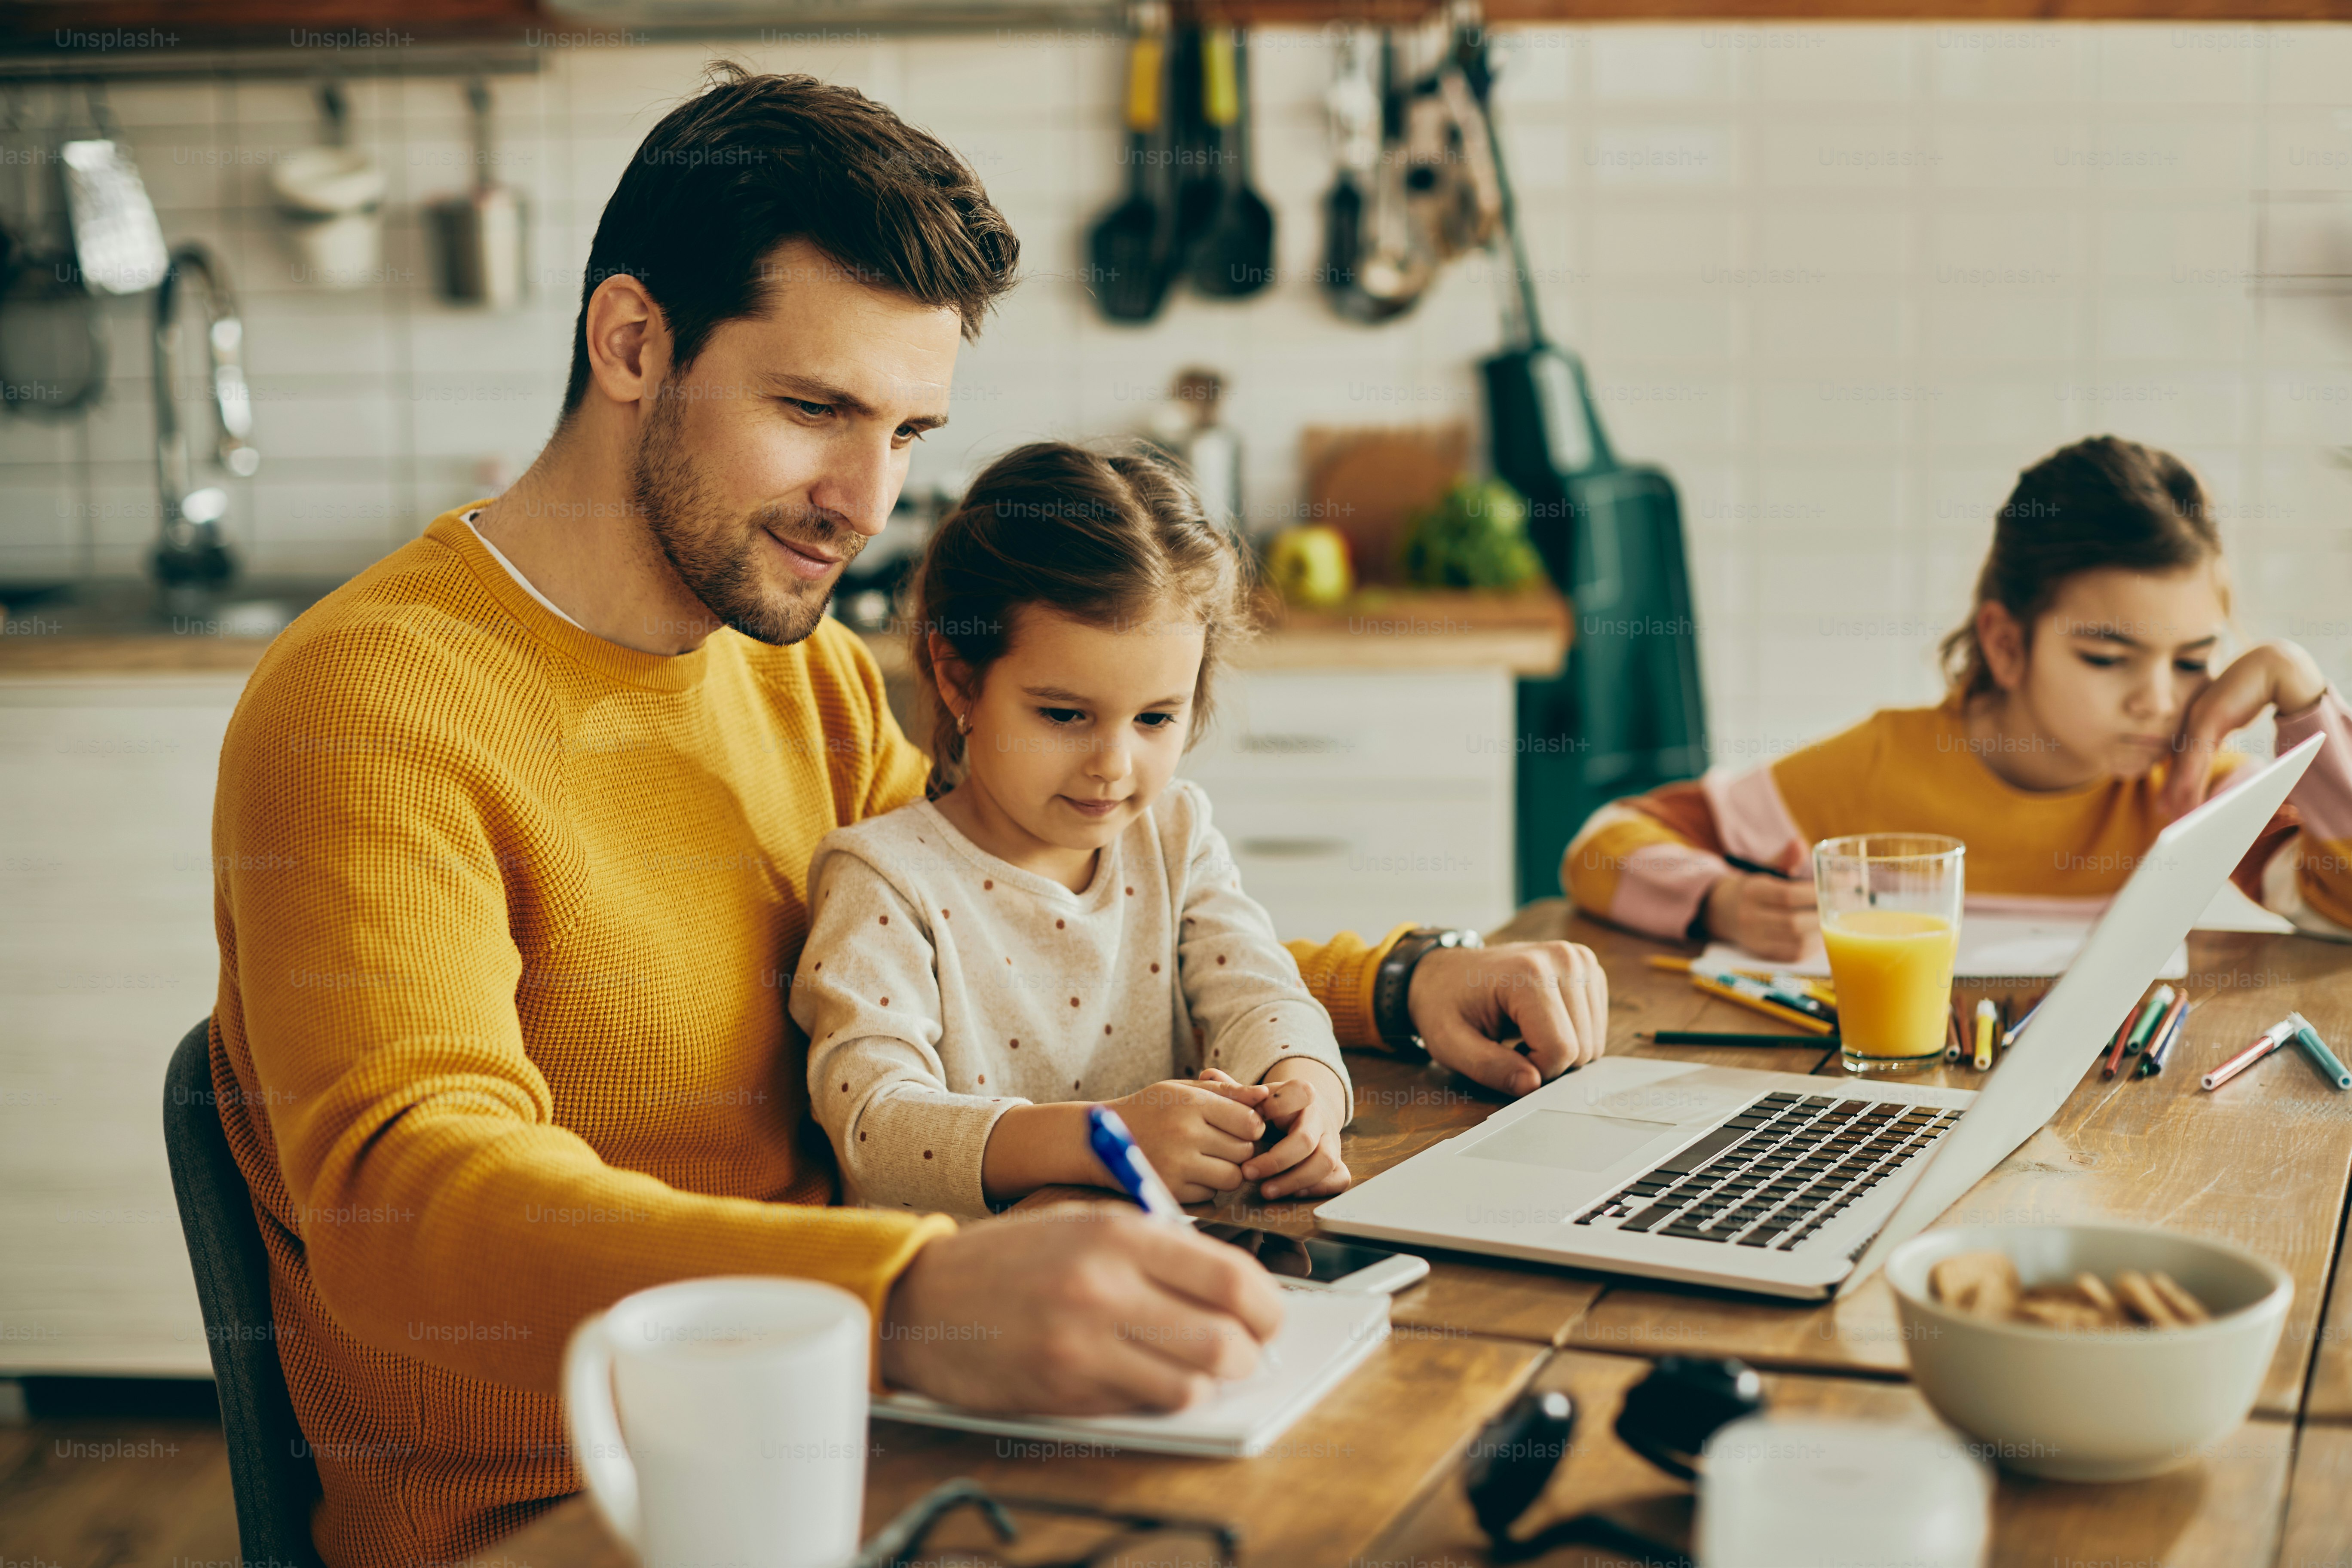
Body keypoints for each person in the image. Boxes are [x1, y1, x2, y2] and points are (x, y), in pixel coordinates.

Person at [206, 66, 1610, 1568]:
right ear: (633, 342)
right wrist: (909, 1299)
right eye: (814, 409)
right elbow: (408, 1212)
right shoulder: (374, 701)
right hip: (586, 1506)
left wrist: (1397, 980)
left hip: (877, 1437)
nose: (865, 498)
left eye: (910, 432)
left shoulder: (795, 667)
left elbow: (1017, 898)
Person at [798, 442, 1355, 1216]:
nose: (1113, 766)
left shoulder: (1174, 833)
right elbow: (875, 1125)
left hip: (1162, 1272)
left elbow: (1260, 995)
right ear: (961, 678)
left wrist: (1308, 1091)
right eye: (1064, 715)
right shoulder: (885, 878)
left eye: (1157, 718)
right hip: (977, 1306)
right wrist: (1107, 1139)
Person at [1562, 435, 2352, 960]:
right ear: (2008, 645)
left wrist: (2303, 697)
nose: (2158, 702)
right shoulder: (1875, 768)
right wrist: (1721, 902)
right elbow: (1602, 846)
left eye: (2191, 662)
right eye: (2110, 658)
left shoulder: (2196, 789)